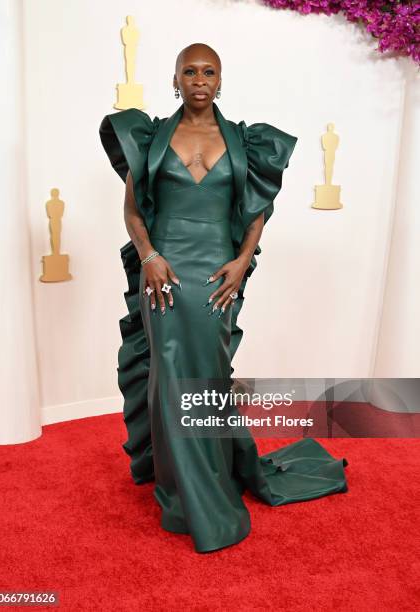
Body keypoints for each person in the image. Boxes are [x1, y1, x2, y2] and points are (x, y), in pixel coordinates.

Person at [99, 43, 348, 553]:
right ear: (175, 79)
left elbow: (256, 210)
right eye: (189, 71)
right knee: (169, 376)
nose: (198, 79)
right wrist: (148, 256)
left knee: (209, 376)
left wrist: (242, 261)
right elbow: (132, 210)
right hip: (163, 272)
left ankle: (212, 471)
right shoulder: (149, 138)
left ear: (220, 80)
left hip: (218, 273)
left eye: (208, 71)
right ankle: (181, 494)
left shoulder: (243, 141)